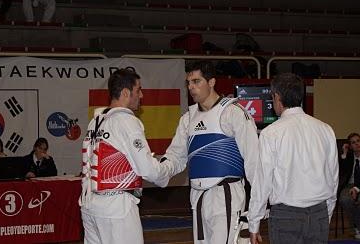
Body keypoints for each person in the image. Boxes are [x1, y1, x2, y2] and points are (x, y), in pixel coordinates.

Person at [159, 60, 259, 244]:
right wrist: (157, 171)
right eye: (188, 83)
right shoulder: (188, 118)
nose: (191, 87)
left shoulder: (232, 112)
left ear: (211, 82)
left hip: (225, 194)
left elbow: (254, 160)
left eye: (196, 81)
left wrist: (257, 209)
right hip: (197, 196)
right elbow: (175, 156)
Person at [79, 68, 171, 244]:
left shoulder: (96, 121)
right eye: (138, 90)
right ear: (126, 92)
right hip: (116, 207)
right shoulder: (126, 121)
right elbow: (147, 168)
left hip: (90, 204)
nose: (142, 95)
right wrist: (167, 170)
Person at [248, 73, 339, 244]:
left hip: (286, 216)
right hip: (319, 213)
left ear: (277, 97)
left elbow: (262, 183)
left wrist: (254, 223)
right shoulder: (326, 129)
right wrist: (326, 213)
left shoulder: (270, 133)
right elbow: (333, 178)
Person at [338, 132, 360, 239]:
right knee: (345, 200)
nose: (357, 144)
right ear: (350, 146)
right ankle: (357, 226)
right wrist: (344, 153)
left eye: (358, 141)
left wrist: (357, 188)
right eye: (353, 143)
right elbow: (341, 170)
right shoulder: (349, 156)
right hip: (349, 185)